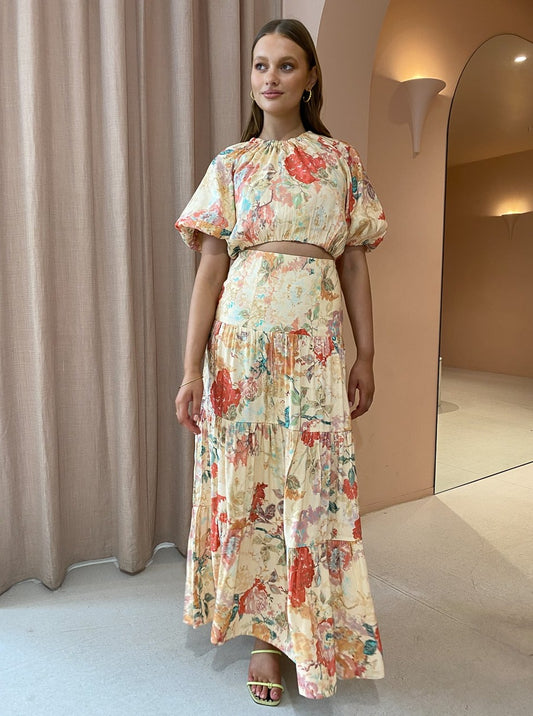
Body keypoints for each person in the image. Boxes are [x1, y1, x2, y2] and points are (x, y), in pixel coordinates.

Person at [175, 18, 387, 706]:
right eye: (260, 65)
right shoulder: (231, 164)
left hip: (315, 351)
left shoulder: (340, 160)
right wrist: (190, 371)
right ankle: (266, 640)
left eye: (287, 64)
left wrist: (366, 353)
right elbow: (210, 273)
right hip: (239, 351)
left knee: (312, 488)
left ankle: (312, 631)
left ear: (311, 77)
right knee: (253, 489)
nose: (271, 77)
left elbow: (354, 265)